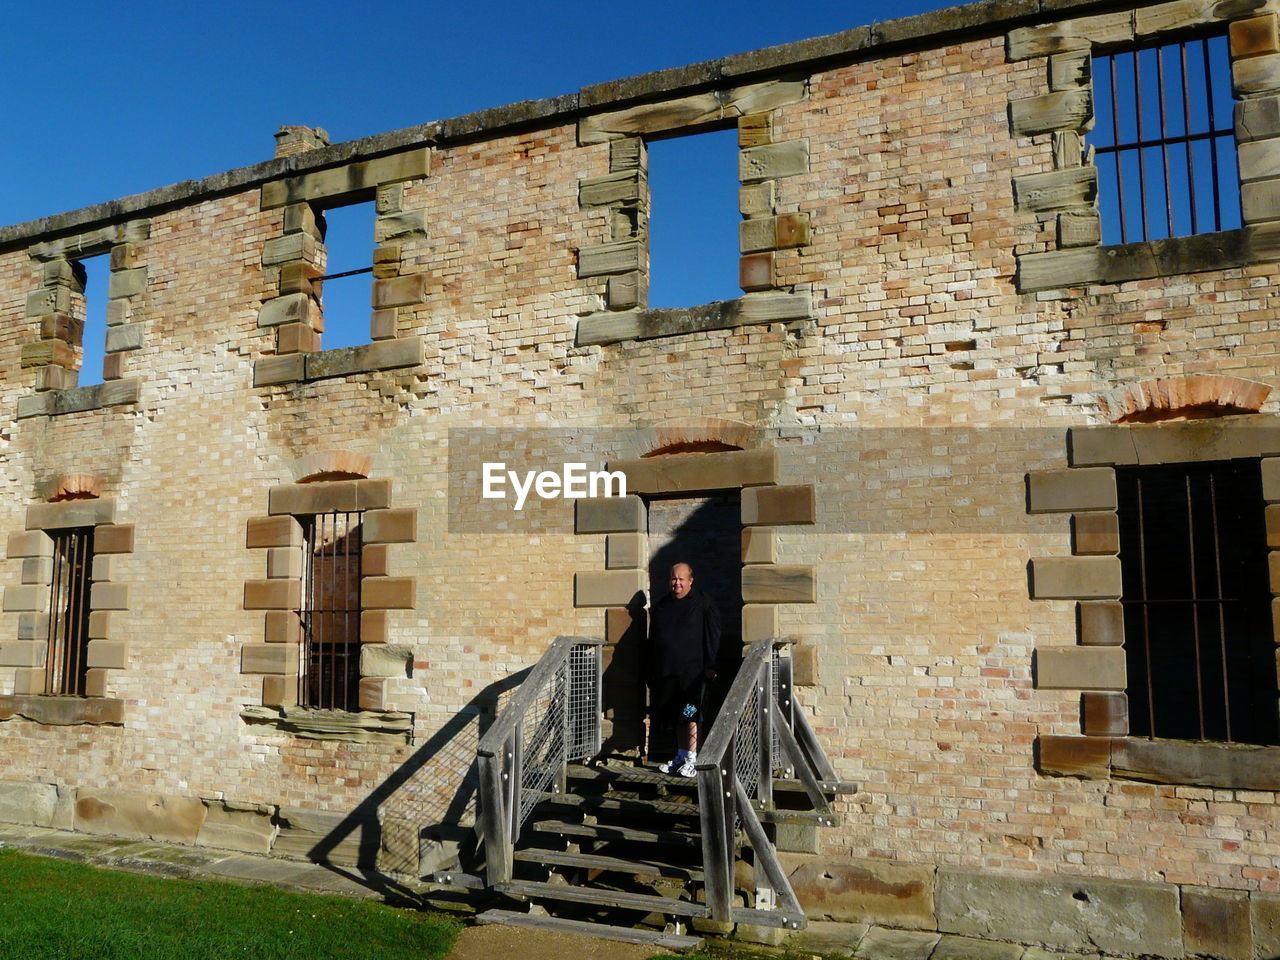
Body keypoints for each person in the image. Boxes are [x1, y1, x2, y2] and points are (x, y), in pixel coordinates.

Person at [648, 562, 721, 778]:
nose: (676, 583)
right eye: (673, 579)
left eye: (681, 579)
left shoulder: (703, 604)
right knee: (676, 716)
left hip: (693, 675)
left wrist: (711, 665)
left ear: (690, 581)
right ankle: (681, 755)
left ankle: (692, 758)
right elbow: (653, 640)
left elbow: (713, 636)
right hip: (667, 673)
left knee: (690, 714)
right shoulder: (662, 606)